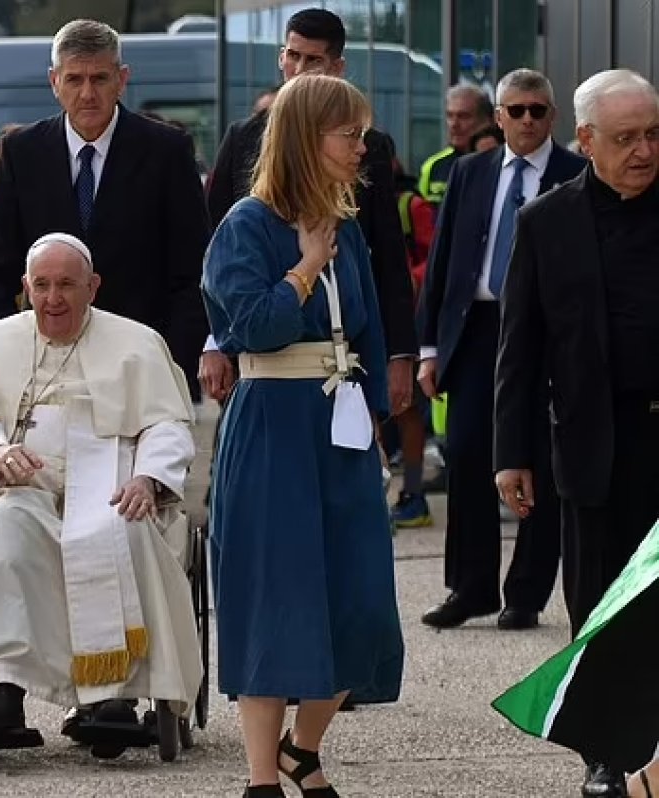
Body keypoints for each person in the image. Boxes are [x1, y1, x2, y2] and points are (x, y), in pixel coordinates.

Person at [203, 74, 403, 798]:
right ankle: (263, 777)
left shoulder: (347, 225)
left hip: (340, 427)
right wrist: (306, 266)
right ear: (305, 139)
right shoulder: (245, 226)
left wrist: (375, 419)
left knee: (362, 600)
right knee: (274, 595)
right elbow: (254, 328)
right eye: (348, 134)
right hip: (272, 425)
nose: (361, 148)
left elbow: (370, 332)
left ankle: (302, 749)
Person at [0, 232, 202, 757]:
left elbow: (168, 427)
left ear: (93, 286)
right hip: (27, 494)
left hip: (113, 492)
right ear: (25, 287)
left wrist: (147, 477)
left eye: (66, 285)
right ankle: (1, 690)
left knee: (122, 530)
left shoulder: (137, 343)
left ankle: (113, 697)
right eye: (41, 285)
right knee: (1, 536)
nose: (53, 298)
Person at [494, 68, 659, 798]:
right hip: (598, 445)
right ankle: (606, 753)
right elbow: (519, 349)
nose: (644, 150)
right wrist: (511, 454)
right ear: (586, 140)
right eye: (626, 138)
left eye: (653, 134)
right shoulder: (547, 222)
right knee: (599, 602)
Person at [418, 68, 584, 633]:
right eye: (517, 110)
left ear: (553, 117)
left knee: (539, 458)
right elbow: (442, 262)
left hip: (547, 333)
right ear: (499, 117)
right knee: (466, 452)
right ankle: (470, 588)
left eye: (538, 110)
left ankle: (526, 593)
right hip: (478, 328)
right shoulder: (470, 172)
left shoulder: (575, 174)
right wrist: (428, 347)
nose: (528, 120)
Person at [202, 8, 417, 444]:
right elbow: (215, 259)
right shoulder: (243, 161)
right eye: (292, 56)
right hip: (269, 396)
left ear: (337, 66)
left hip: (341, 398)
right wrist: (213, 341)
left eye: (313, 60)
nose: (299, 69)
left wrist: (391, 370)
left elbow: (387, 262)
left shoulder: (349, 214)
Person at [0, 18, 211, 399]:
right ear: (54, 82)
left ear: (122, 79)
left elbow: (191, 271)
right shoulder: (21, 153)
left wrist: (172, 366)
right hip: (43, 370)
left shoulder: (167, 151)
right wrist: (4, 360)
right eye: (74, 79)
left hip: (142, 368)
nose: (87, 94)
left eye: (99, 78)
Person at [417, 84, 495, 208]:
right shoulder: (433, 165)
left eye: (463, 116)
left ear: (486, 121)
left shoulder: (505, 163)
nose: (454, 124)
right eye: (450, 115)